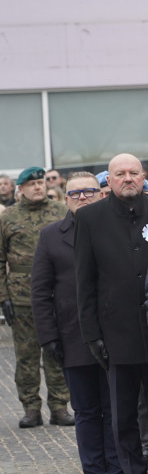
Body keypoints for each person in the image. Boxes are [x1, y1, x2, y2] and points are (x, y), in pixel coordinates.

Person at [74, 153, 148, 474]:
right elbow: (84, 283)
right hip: (115, 333)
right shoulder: (90, 218)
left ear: (143, 176)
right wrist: (92, 336)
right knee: (123, 416)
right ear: (109, 180)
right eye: (119, 174)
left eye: (133, 173)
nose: (127, 179)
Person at [31, 172, 125, 474]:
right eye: (75, 194)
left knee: (116, 407)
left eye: (88, 192)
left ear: (101, 195)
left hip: (114, 334)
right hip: (72, 337)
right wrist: (48, 339)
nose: (82, 198)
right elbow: (40, 293)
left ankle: (119, 472)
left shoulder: (114, 230)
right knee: (85, 410)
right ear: (65, 198)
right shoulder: (50, 236)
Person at [1, 167, 70, 428]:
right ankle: (31, 407)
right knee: (27, 356)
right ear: (20, 190)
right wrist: (3, 297)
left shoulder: (60, 212)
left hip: (57, 293)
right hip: (21, 296)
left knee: (56, 351)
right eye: (31, 184)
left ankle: (60, 406)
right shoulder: (7, 217)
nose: (38, 187)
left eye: (40, 182)